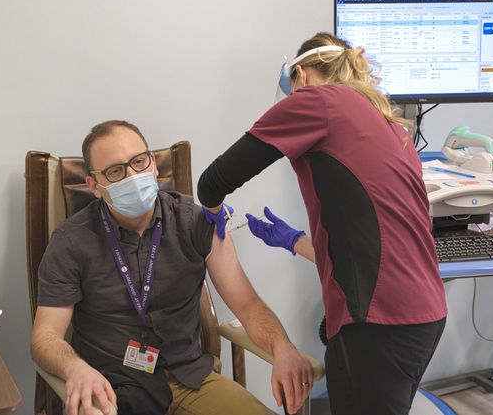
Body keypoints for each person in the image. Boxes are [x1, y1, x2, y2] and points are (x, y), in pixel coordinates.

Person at [197, 32, 448, 415]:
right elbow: (375, 240)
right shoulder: (390, 125)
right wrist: (294, 240)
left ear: (301, 72)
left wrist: (212, 209)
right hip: (425, 315)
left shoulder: (315, 101)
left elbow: (212, 181)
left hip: (378, 322)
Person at [30, 120, 313, 415]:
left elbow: (248, 306)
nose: (132, 175)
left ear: (153, 164)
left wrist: (283, 348)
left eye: (139, 162)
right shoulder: (70, 242)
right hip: (110, 388)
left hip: (190, 379)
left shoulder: (196, 222)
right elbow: (45, 337)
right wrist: (75, 368)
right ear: (94, 186)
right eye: (115, 171)